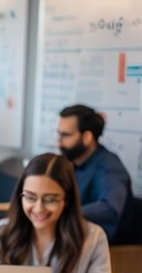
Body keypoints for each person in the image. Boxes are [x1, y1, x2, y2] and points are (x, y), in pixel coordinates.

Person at [57, 103, 134, 243]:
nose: (59, 143)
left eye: (65, 135)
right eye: (59, 135)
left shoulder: (109, 167)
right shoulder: (74, 163)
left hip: (106, 249)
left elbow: (110, 208)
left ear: (87, 137)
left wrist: (62, 210)